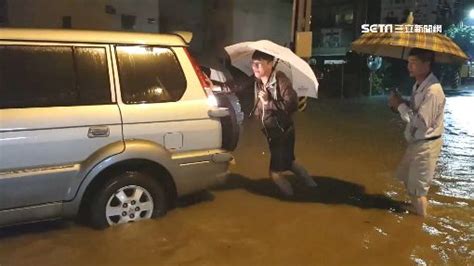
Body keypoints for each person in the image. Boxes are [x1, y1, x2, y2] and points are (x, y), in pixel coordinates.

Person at [388, 48, 445, 217]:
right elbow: (415, 112)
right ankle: (417, 212)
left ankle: (420, 222)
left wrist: (400, 105)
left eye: (413, 63)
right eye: (408, 62)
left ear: (427, 64)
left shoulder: (433, 90)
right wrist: (401, 103)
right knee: (409, 182)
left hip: (426, 145)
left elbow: (421, 122)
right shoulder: (419, 84)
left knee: (417, 190)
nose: (409, 66)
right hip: (417, 142)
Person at [251, 50, 317, 196]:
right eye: (252, 63)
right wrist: (216, 87)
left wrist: (269, 101)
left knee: (275, 173)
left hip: (283, 132)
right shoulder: (258, 81)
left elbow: (292, 105)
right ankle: (312, 186)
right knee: (290, 163)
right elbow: (238, 87)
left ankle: (291, 200)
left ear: (270, 64)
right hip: (273, 132)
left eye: (258, 64)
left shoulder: (281, 80)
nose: (254, 67)